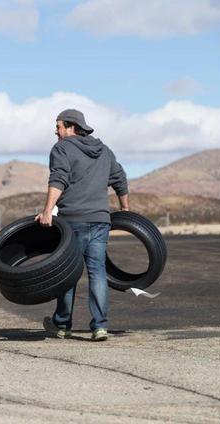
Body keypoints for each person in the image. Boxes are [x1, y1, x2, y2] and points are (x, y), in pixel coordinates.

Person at [35, 109, 128, 341]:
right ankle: (100, 327)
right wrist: (125, 210)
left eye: (58, 127)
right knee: (97, 273)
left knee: (68, 274)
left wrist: (47, 211)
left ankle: (62, 325)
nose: (55, 131)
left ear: (71, 127)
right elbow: (120, 178)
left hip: (73, 221)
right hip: (100, 220)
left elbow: (58, 179)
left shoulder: (62, 148)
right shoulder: (104, 151)